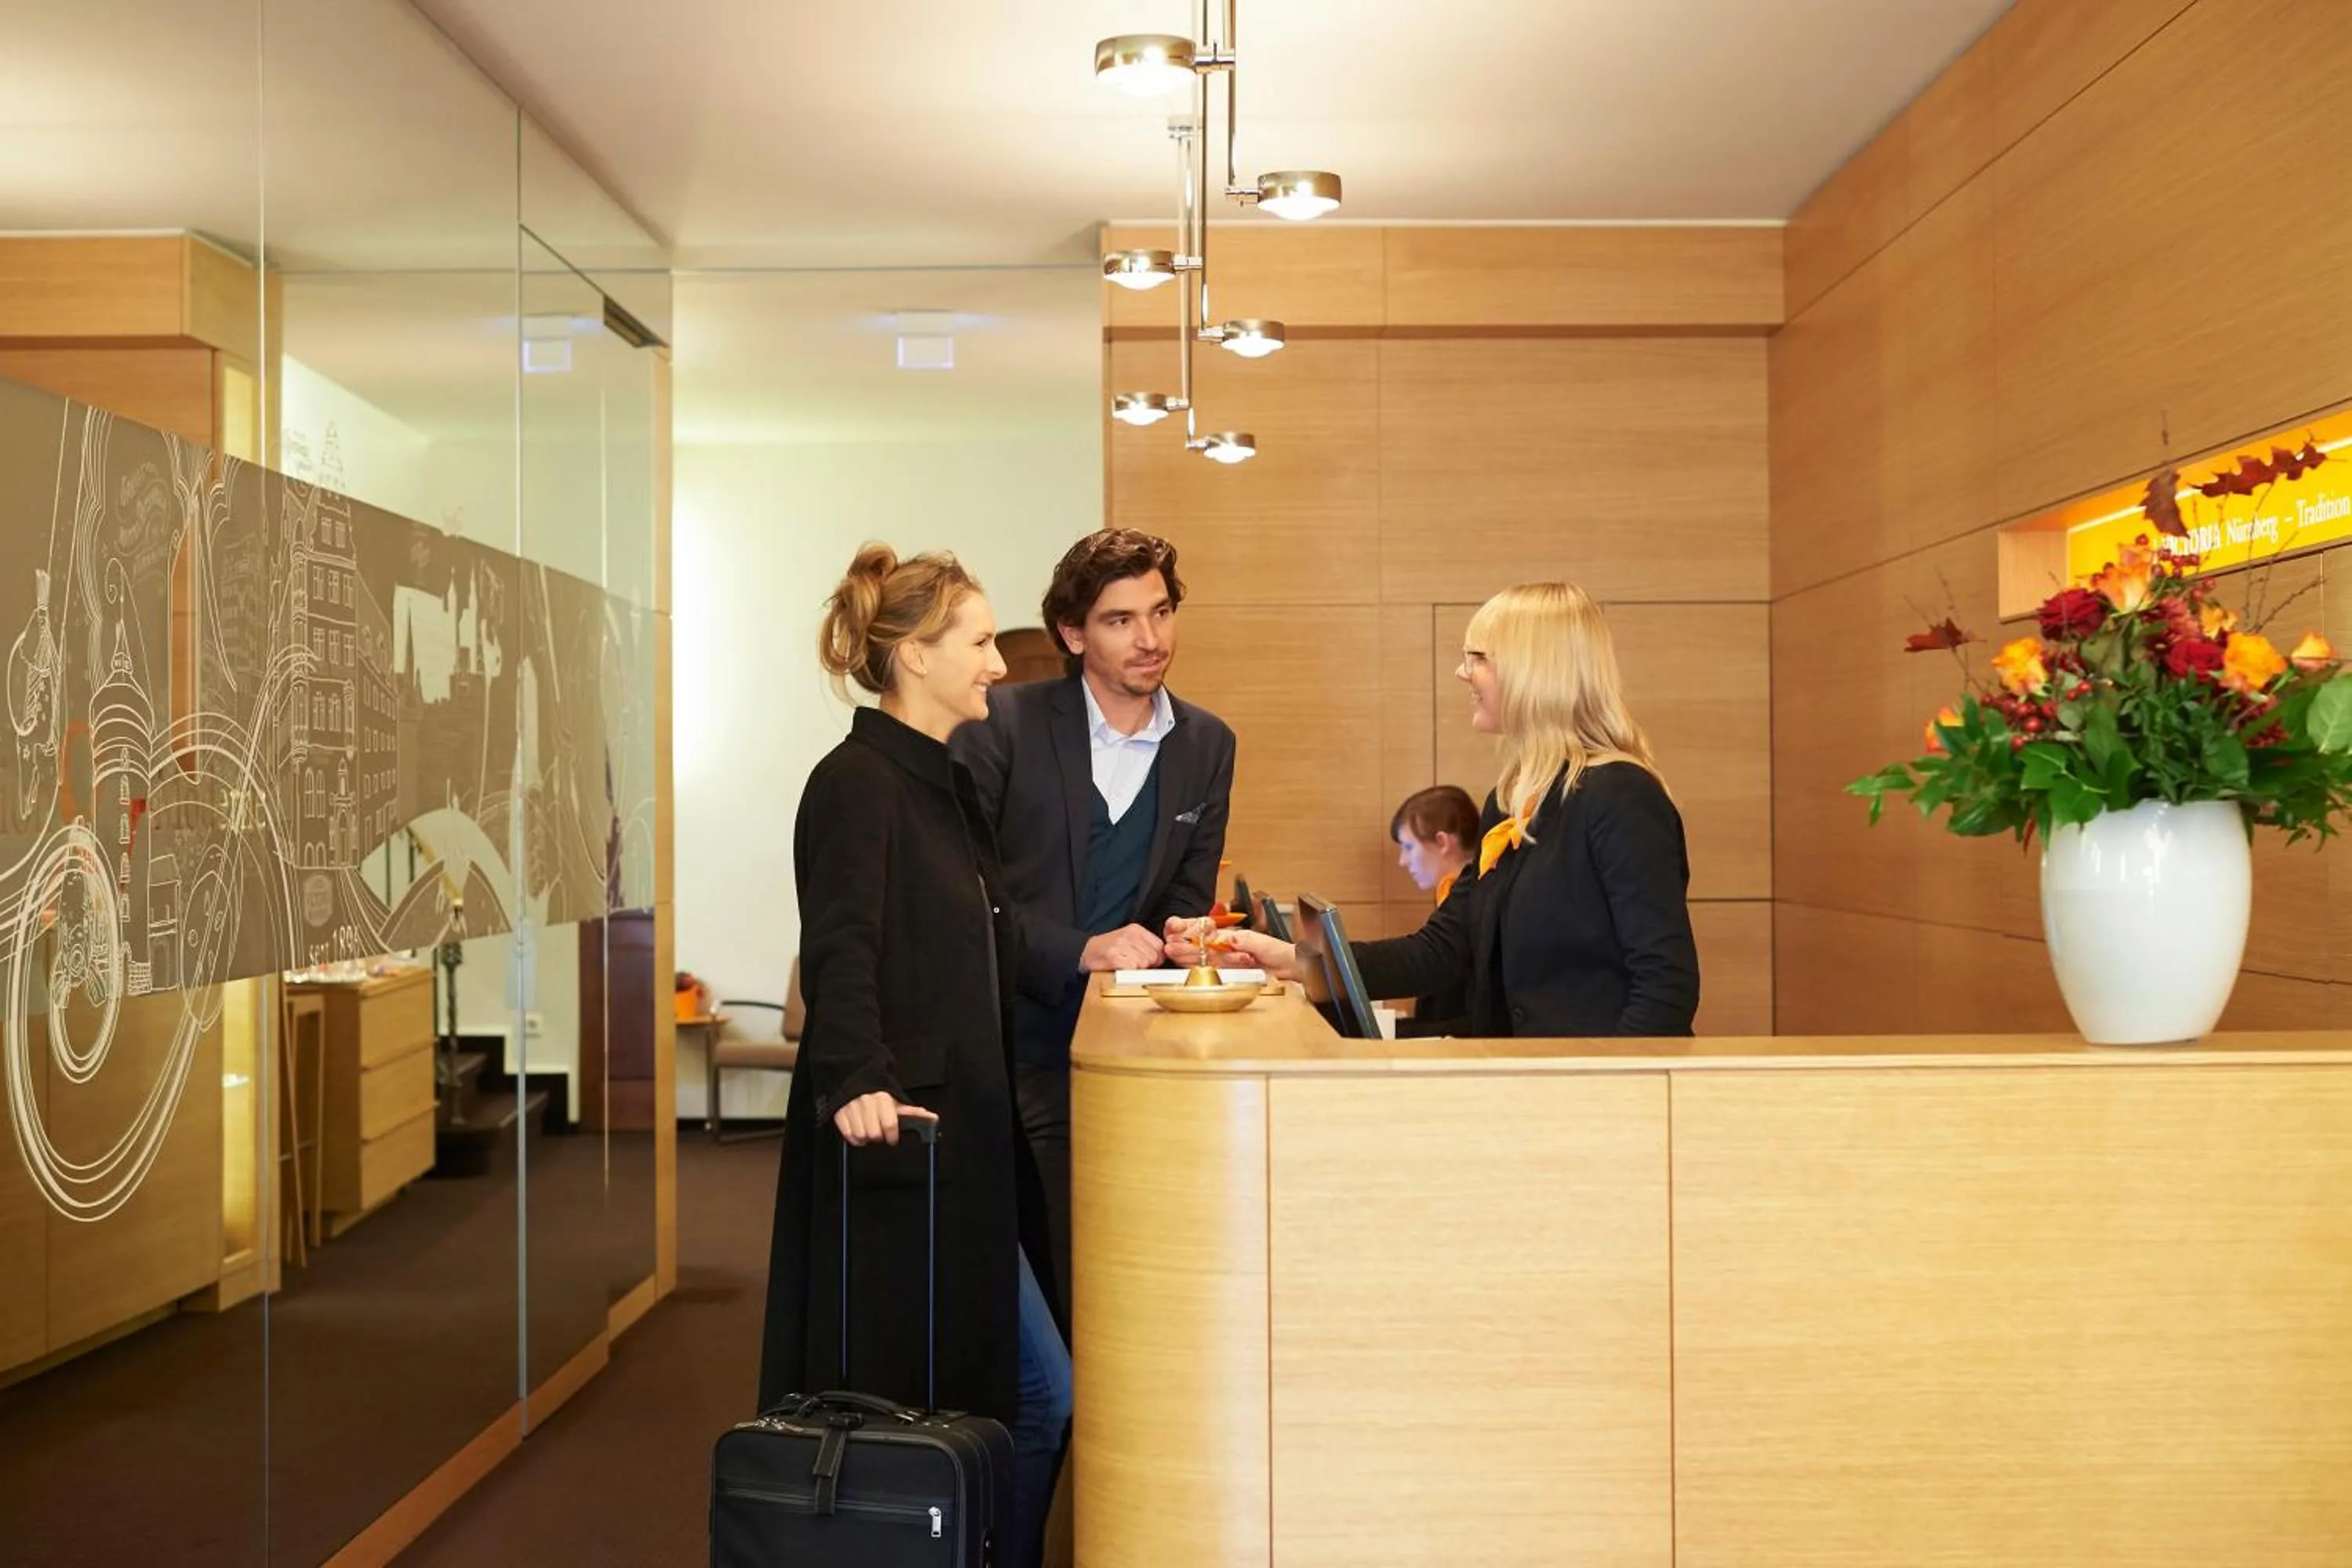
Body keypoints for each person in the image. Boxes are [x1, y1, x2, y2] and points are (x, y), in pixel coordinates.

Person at [759, 543, 1069, 1568]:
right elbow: (839, 945)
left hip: (962, 1148)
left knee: (1003, 1397)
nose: (996, 663)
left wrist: (1101, 955)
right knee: (1007, 1398)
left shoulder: (945, 784)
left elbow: (992, 936)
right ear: (914, 655)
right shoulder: (853, 784)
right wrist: (855, 1080)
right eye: (979, 642)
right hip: (901, 1146)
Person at [1181, 581, 1699, 1038]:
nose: (1461, 672)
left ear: (1532, 672)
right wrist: (1295, 959)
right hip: (1528, 1098)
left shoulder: (1621, 797)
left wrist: (1615, 1097)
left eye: (1478, 657)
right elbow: (1442, 952)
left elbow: (1665, 987)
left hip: (1596, 1106)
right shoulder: (1511, 802)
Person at [953, 528, 1236, 1315]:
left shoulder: (1208, 744)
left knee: (1126, 1264)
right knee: (1050, 1268)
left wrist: (1185, 934)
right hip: (1012, 1045)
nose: (1150, 639)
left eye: (1162, 611)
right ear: (1073, 634)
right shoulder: (999, 726)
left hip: (1127, 1051)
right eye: (1120, 620)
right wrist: (1079, 948)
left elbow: (1183, 887)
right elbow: (968, 898)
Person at [1388, 784, 1479, 1038]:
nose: (1403, 861)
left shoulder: (1476, 906)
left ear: (1442, 842)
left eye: (1408, 847)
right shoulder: (1451, 899)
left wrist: (1395, 1033)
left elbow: (1473, 1022)